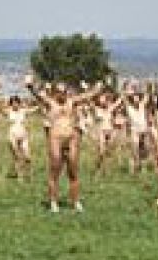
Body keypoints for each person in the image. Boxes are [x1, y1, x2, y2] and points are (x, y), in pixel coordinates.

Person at [26, 76, 103, 212]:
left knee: (73, 171)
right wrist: (30, 86)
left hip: (72, 138)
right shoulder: (50, 102)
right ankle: (53, 202)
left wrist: (97, 88)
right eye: (60, 91)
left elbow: (87, 95)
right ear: (55, 93)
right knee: (54, 171)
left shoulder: (72, 102)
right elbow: (38, 95)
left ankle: (76, 201)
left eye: (64, 91)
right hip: (55, 138)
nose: (62, 94)